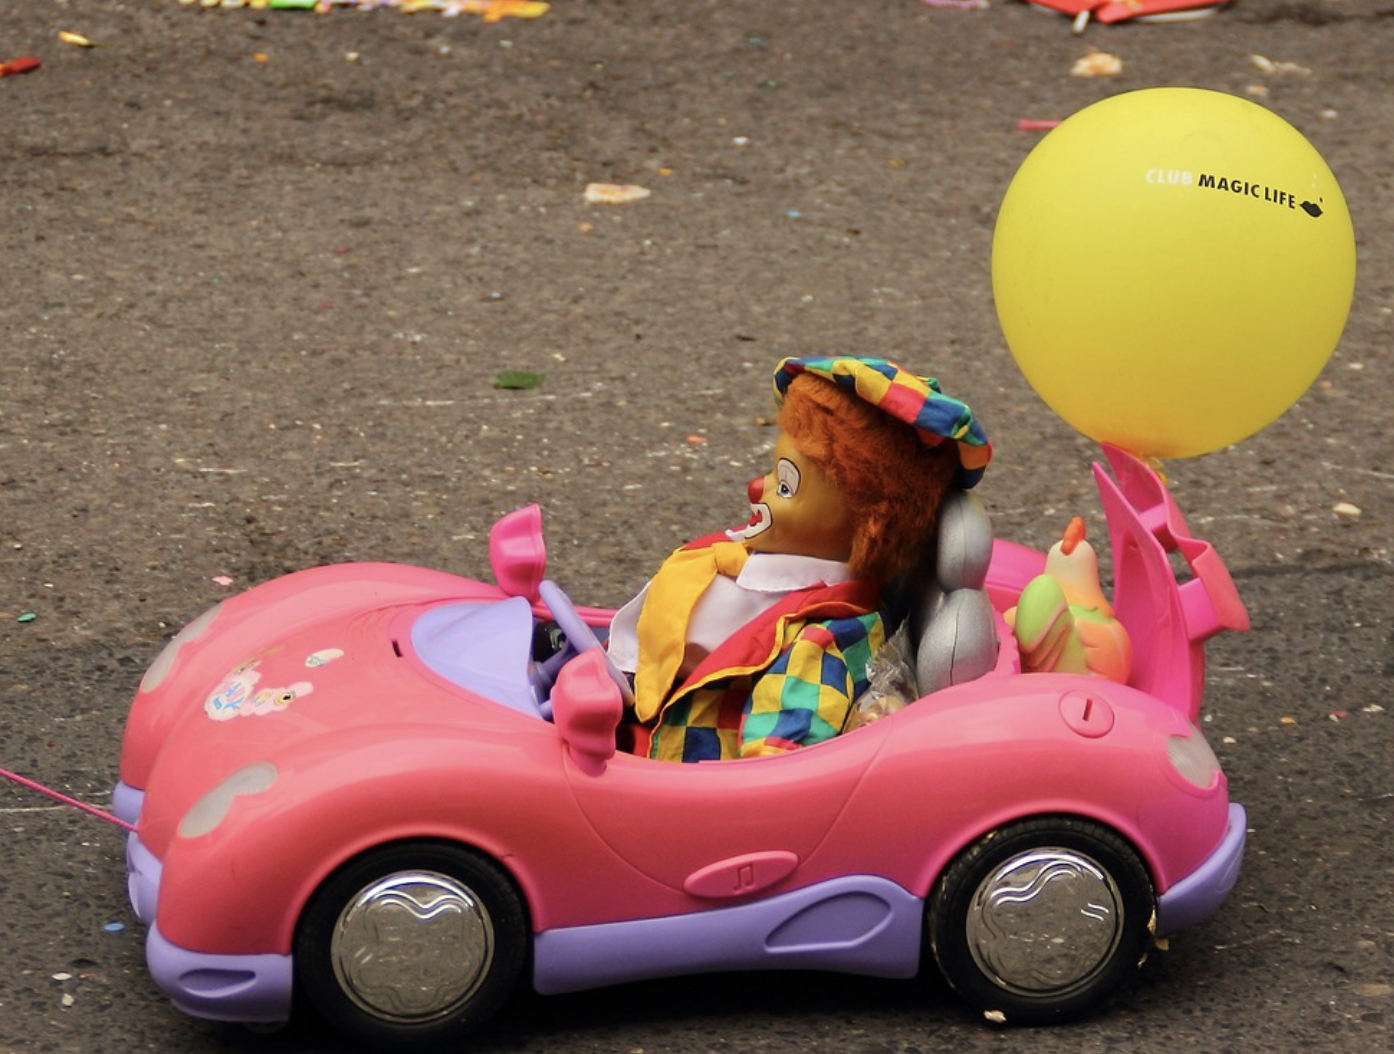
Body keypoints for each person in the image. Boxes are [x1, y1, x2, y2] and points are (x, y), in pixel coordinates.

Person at [606, 356, 990, 762]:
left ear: (867, 527)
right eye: (773, 473)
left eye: (786, 486)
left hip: (682, 768)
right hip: (630, 704)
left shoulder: (826, 636)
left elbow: (779, 756)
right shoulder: (753, 561)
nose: (758, 488)